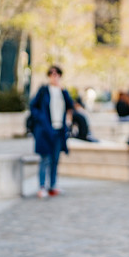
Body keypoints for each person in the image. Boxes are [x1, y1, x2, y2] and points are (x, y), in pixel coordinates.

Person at [30, 65, 74, 199]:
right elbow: (33, 106)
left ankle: (53, 185)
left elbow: (71, 105)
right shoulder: (43, 90)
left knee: (55, 158)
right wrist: (41, 119)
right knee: (45, 159)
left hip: (59, 130)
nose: (54, 76)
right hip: (45, 130)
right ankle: (42, 186)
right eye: (51, 74)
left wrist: (64, 90)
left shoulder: (62, 91)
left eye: (57, 74)